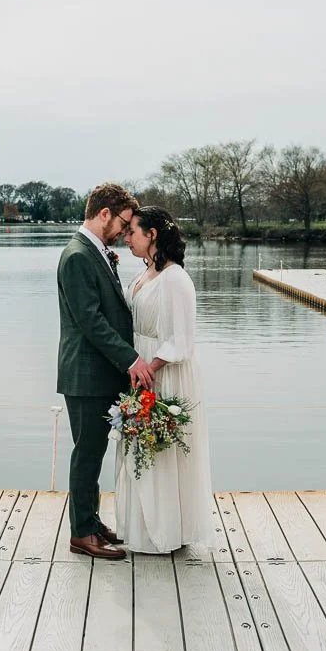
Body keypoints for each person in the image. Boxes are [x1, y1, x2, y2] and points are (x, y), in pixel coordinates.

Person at [56, 183, 150, 560]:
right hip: (85, 374)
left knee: (93, 453)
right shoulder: (78, 256)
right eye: (123, 223)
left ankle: (91, 522)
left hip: (97, 373)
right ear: (104, 213)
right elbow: (91, 321)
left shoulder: (94, 252)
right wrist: (131, 359)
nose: (125, 233)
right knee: (87, 454)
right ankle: (81, 533)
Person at [114, 205, 214, 554]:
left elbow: (182, 339)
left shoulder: (176, 279)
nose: (127, 238)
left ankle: (169, 531)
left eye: (133, 232)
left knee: (162, 452)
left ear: (152, 235)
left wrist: (150, 368)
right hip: (140, 370)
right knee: (141, 451)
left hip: (164, 373)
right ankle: (141, 528)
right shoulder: (144, 275)